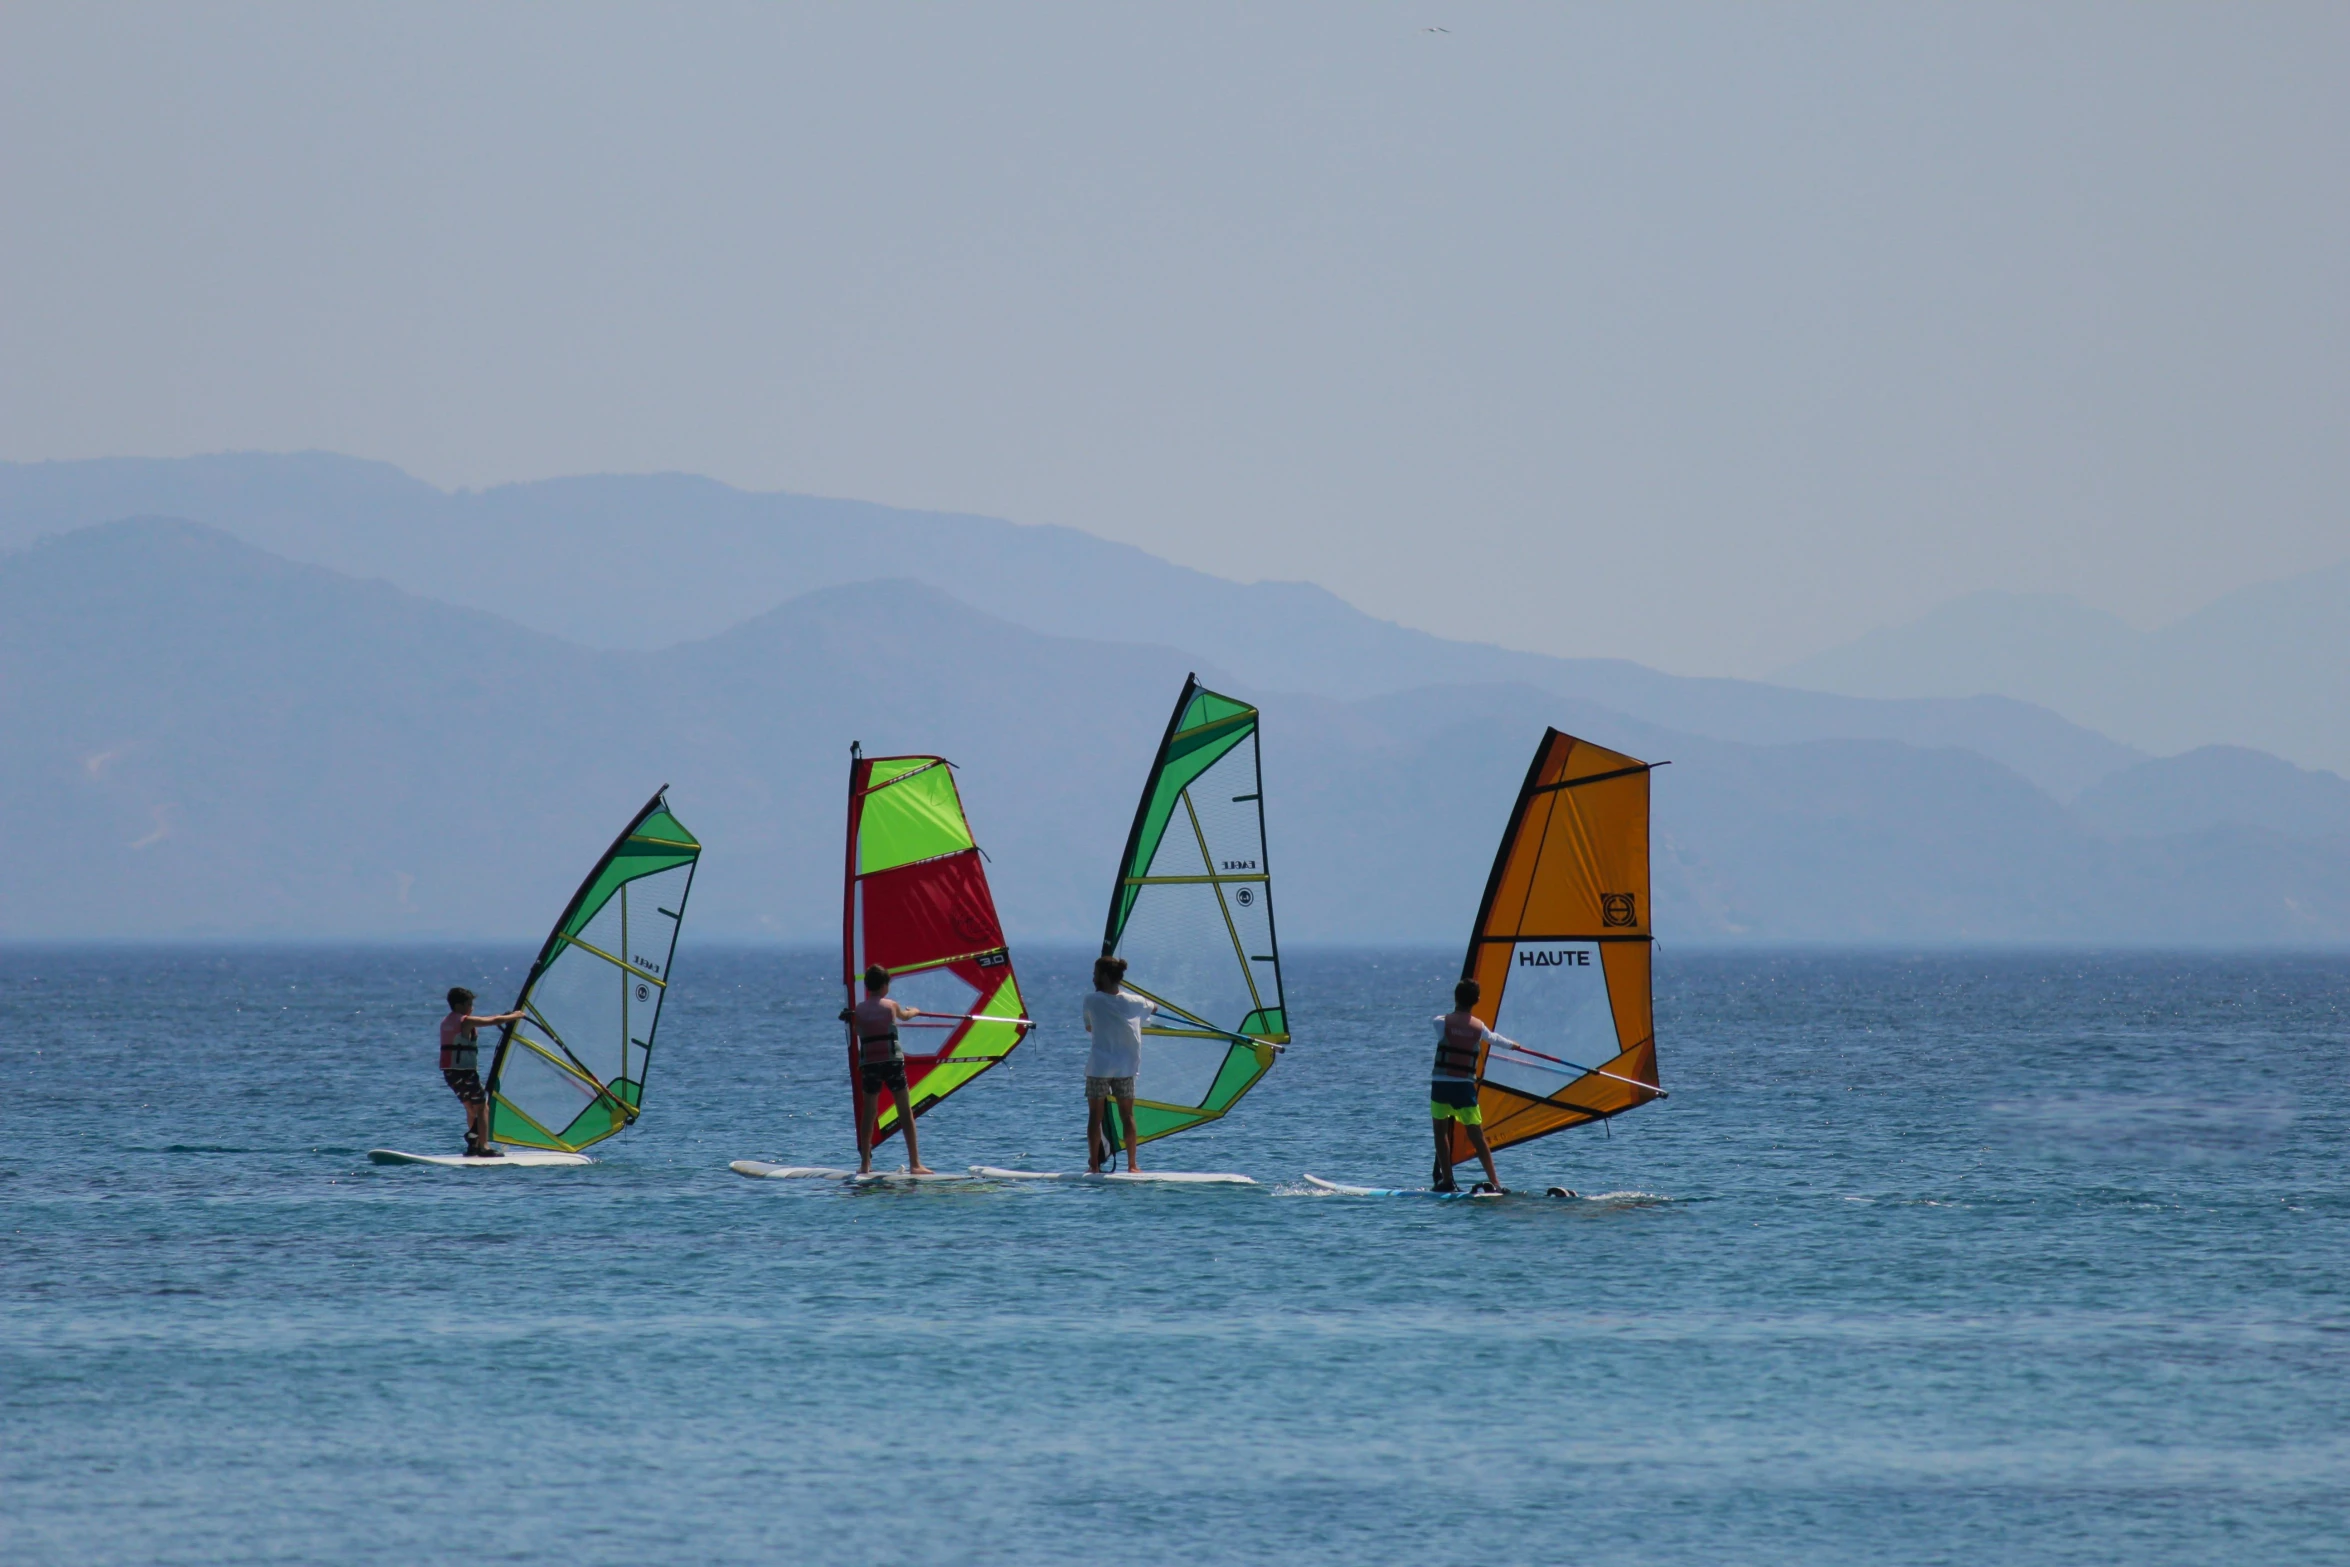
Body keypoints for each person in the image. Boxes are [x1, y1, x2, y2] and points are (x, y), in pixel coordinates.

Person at [841, 965, 932, 1174]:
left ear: (866, 986)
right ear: (884, 986)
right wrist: (915, 1011)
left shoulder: (860, 1009)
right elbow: (905, 1016)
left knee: (869, 1114)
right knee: (904, 1112)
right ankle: (915, 1164)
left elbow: (857, 1030)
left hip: (870, 1065)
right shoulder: (891, 1005)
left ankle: (865, 1164)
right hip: (892, 1063)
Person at [1430, 978, 1506, 1194]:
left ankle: (1447, 1180)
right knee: (1477, 1136)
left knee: (1440, 1132)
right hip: (1464, 1088)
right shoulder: (1479, 1027)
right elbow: (1495, 1039)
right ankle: (1496, 1183)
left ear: (1455, 997)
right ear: (1477, 1001)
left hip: (1441, 1086)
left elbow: (1442, 1022)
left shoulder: (1440, 1022)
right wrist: (1513, 1046)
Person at [1082, 955, 1155, 1174]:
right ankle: (1132, 1165)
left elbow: (1089, 1028)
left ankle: (1094, 1166)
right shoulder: (1136, 1002)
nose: (1093, 978)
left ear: (1104, 976)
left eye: (1095, 974)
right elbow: (1154, 1008)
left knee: (1096, 1116)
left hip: (1099, 1067)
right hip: (1126, 1067)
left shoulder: (1091, 1000)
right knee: (1127, 1115)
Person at [441, 987, 525, 1157]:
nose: (472, 1008)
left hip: (450, 1073)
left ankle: (474, 1143)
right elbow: (494, 1020)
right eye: (469, 1004)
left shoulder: (446, 1022)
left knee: (471, 1108)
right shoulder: (466, 1021)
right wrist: (516, 1016)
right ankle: (484, 1146)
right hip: (465, 1072)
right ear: (460, 1005)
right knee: (482, 1108)